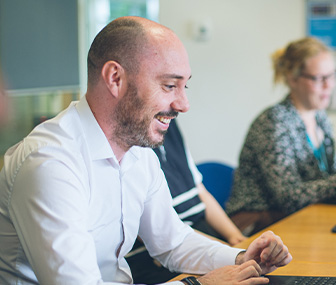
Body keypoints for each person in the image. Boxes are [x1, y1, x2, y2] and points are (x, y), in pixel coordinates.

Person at [0, 16, 291, 284]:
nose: (183, 104)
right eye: (169, 85)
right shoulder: (49, 164)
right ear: (115, 78)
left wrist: (241, 258)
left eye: (184, 86)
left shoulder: (138, 153)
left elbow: (172, 242)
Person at [225, 37, 336, 234]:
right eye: (318, 78)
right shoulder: (274, 122)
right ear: (292, 78)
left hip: (296, 217)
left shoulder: (320, 118)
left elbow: (326, 177)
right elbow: (289, 197)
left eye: (332, 75)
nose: (329, 85)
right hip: (257, 224)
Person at [126, 119, 247, 284]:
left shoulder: (169, 127)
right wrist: (230, 251)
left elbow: (200, 190)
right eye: (168, 90)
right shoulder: (132, 147)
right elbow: (163, 238)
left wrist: (236, 240)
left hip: (198, 237)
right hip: (155, 257)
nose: (183, 105)